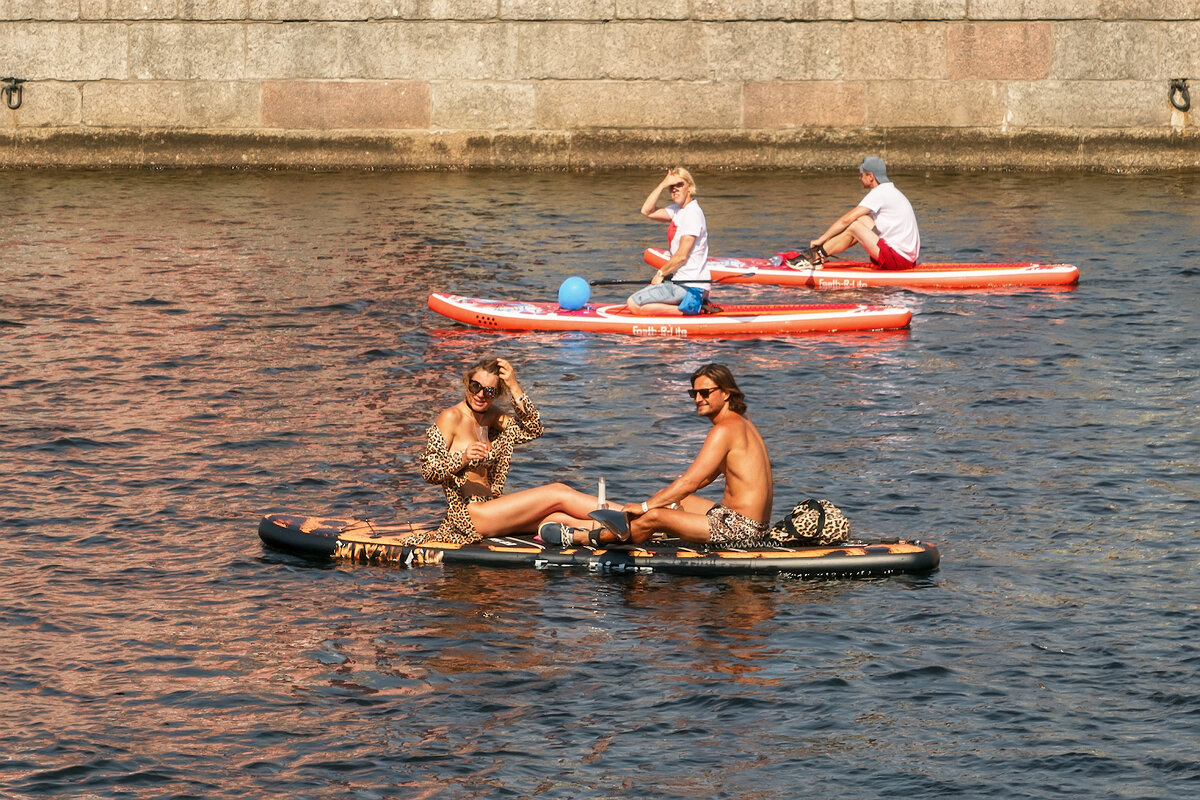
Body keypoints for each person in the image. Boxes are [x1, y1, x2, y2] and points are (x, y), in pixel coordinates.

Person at [417, 357, 605, 544]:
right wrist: (463, 458)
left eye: (489, 391)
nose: (481, 394)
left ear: (497, 394)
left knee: (558, 517)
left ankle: (623, 528)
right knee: (557, 492)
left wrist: (514, 386)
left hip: (491, 508)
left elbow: (533, 429)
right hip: (469, 514)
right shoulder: (450, 417)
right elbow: (429, 472)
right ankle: (621, 515)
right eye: (476, 386)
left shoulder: (493, 417)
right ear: (467, 383)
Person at [606, 364, 775, 548]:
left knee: (655, 516)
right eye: (693, 393)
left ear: (726, 393)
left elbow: (690, 482)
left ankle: (590, 537)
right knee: (666, 498)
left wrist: (644, 507)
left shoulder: (724, 429)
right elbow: (704, 479)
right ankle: (639, 531)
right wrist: (662, 501)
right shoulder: (742, 421)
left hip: (742, 530)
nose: (698, 399)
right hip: (753, 525)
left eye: (705, 392)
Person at [808, 156, 920, 270]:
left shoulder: (879, 193)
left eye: (861, 175)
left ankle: (817, 255)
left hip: (899, 261)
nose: (859, 178)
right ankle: (824, 250)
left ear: (870, 176)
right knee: (862, 219)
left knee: (854, 226)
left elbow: (846, 219)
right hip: (907, 259)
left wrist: (821, 239)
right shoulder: (890, 190)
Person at [627, 167, 711, 315]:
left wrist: (661, 273)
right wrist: (662, 184)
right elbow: (646, 211)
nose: (675, 190)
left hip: (690, 286)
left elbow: (681, 256)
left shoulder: (692, 214)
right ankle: (691, 305)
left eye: (679, 185)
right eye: (672, 187)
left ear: (690, 188)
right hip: (680, 282)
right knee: (643, 296)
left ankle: (692, 309)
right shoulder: (677, 210)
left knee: (633, 304)